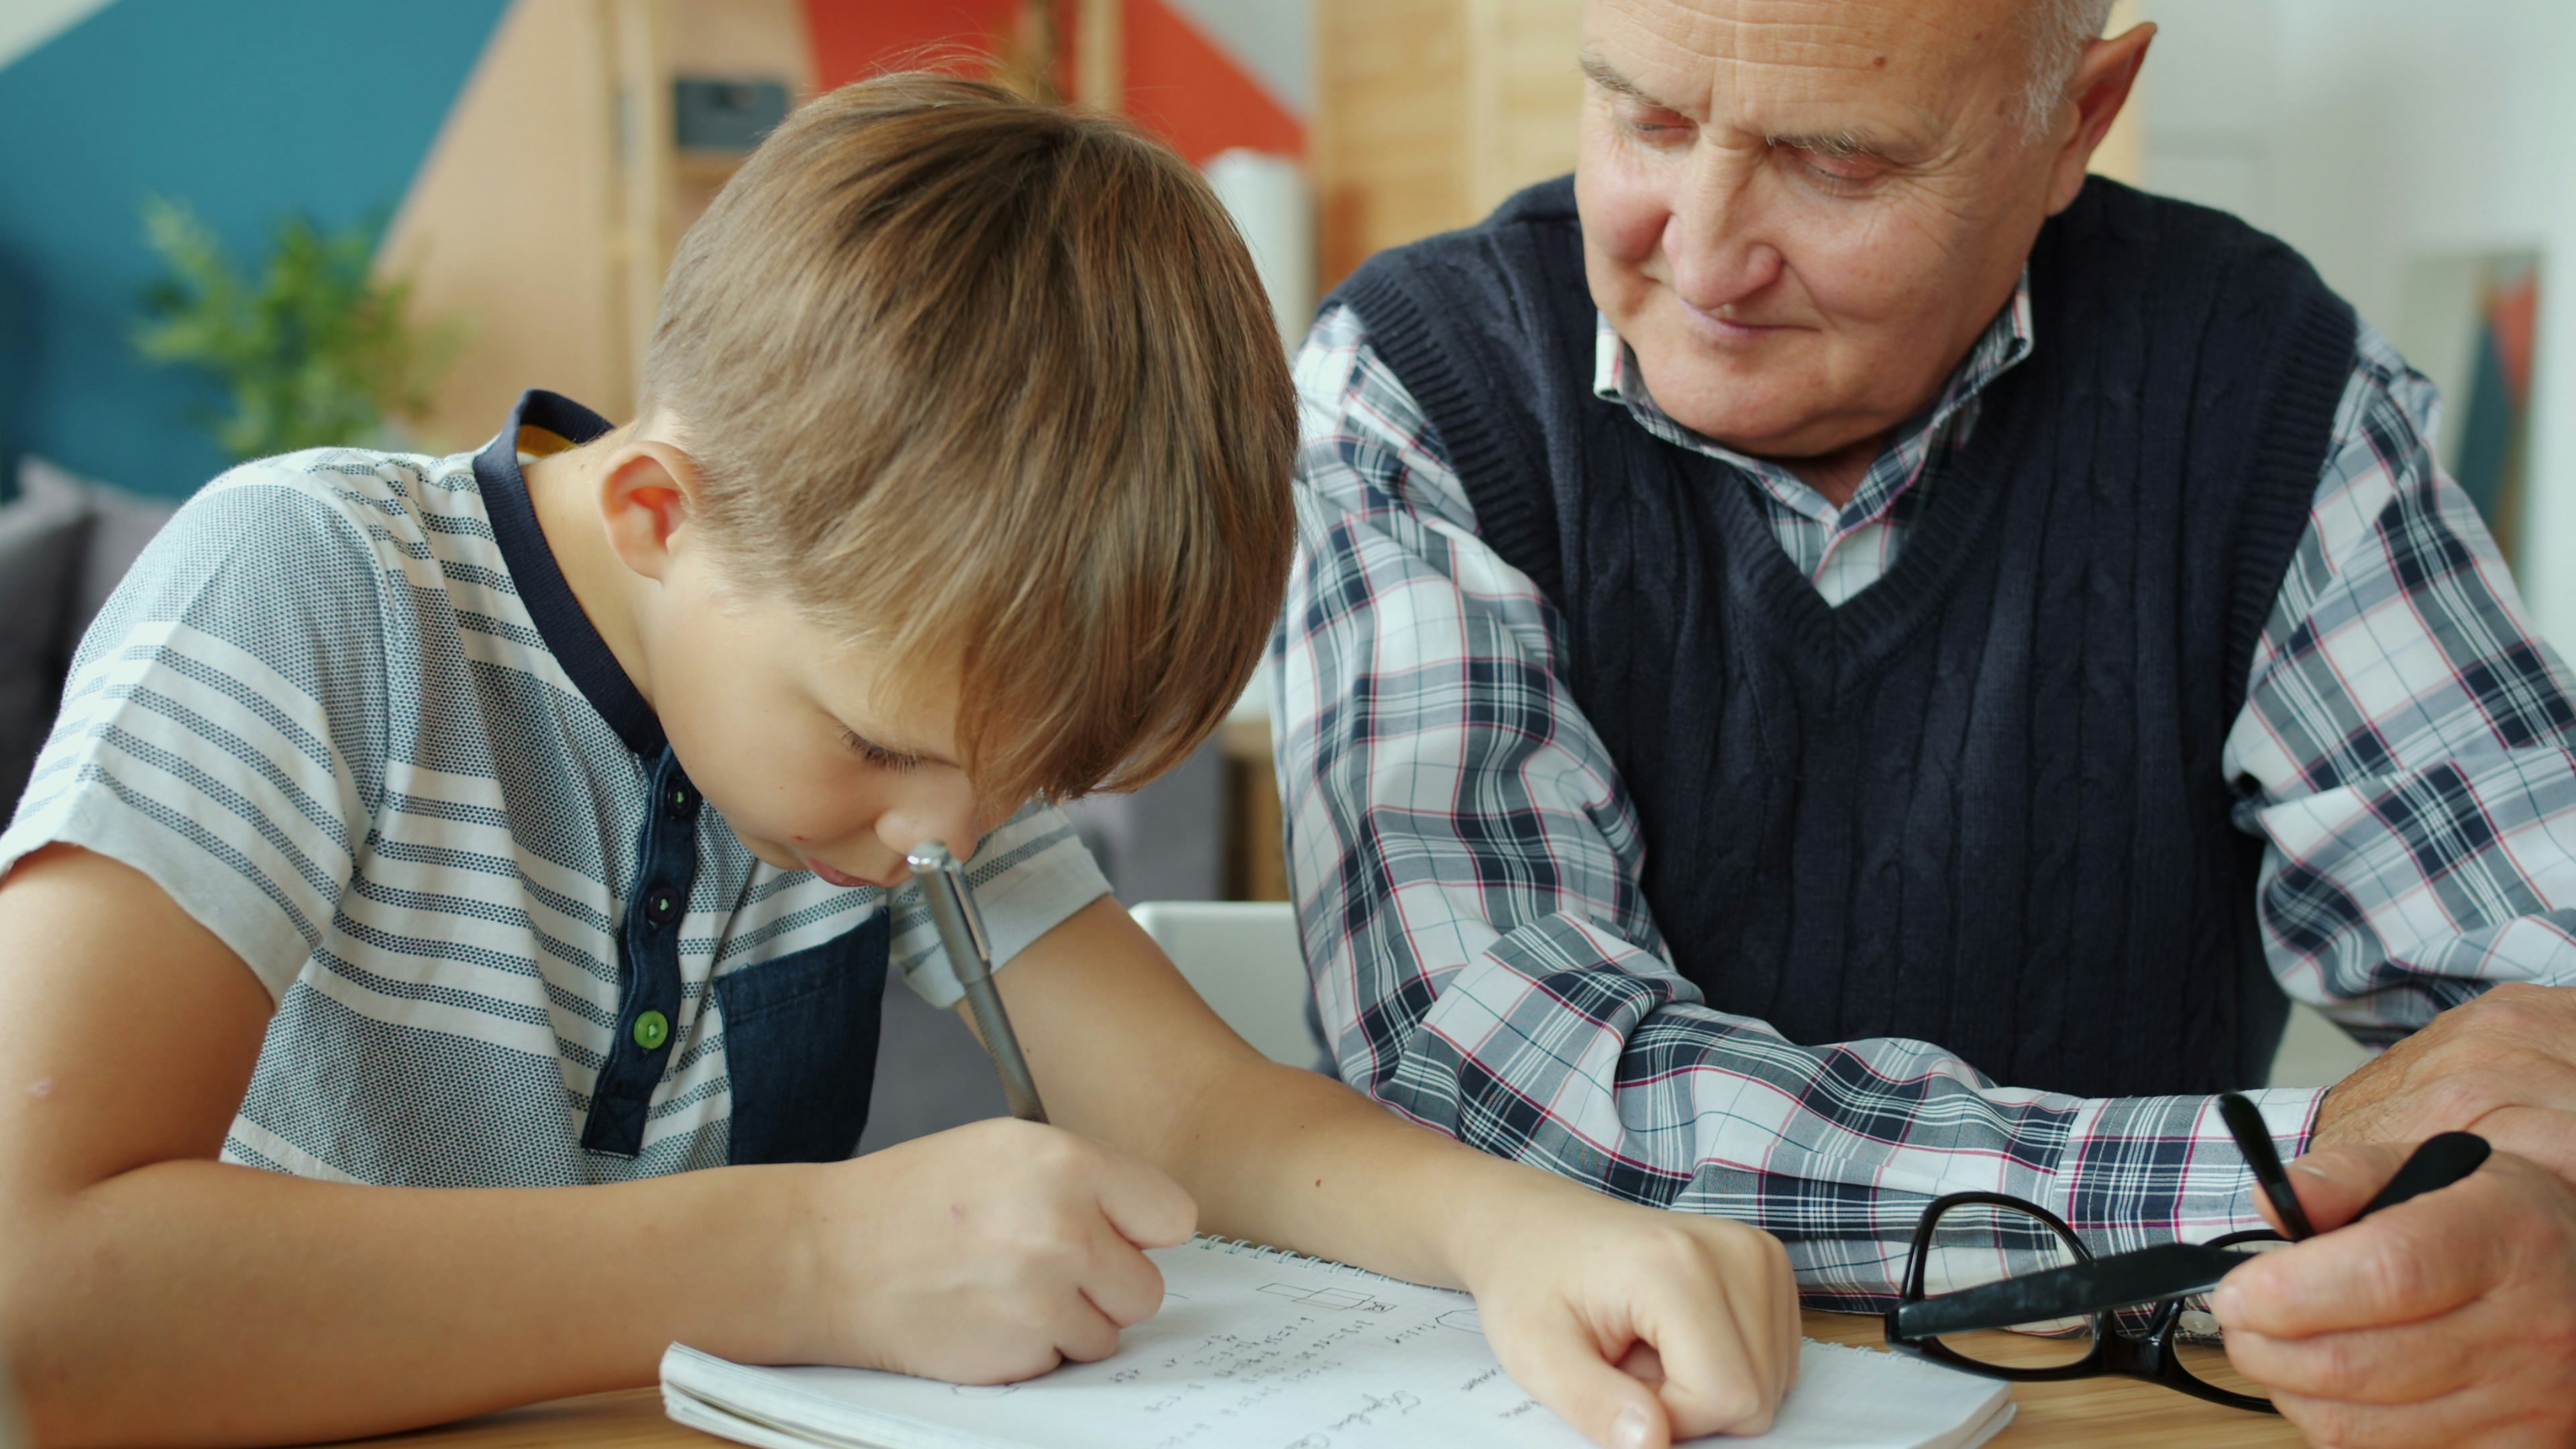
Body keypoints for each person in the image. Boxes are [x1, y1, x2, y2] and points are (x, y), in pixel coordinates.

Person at [0, 76, 1799, 1449]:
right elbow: (38, 1297)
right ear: (659, 513)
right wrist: (811, 1258)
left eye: (1019, 789)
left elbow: (1199, 1113)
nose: (942, 840)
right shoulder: (311, 591)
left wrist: (1525, 1236)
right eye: (881, 747)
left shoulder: (913, 748)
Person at [1273, 0, 2576, 1442]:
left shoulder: (2270, 387)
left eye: (1837, 161)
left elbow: (2546, 1007)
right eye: (1645, 118)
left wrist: (2527, 1210)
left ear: (2077, 119)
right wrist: (2278, 1170)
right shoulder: (1417, 384)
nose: (1702, 256)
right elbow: (1502, 1079)